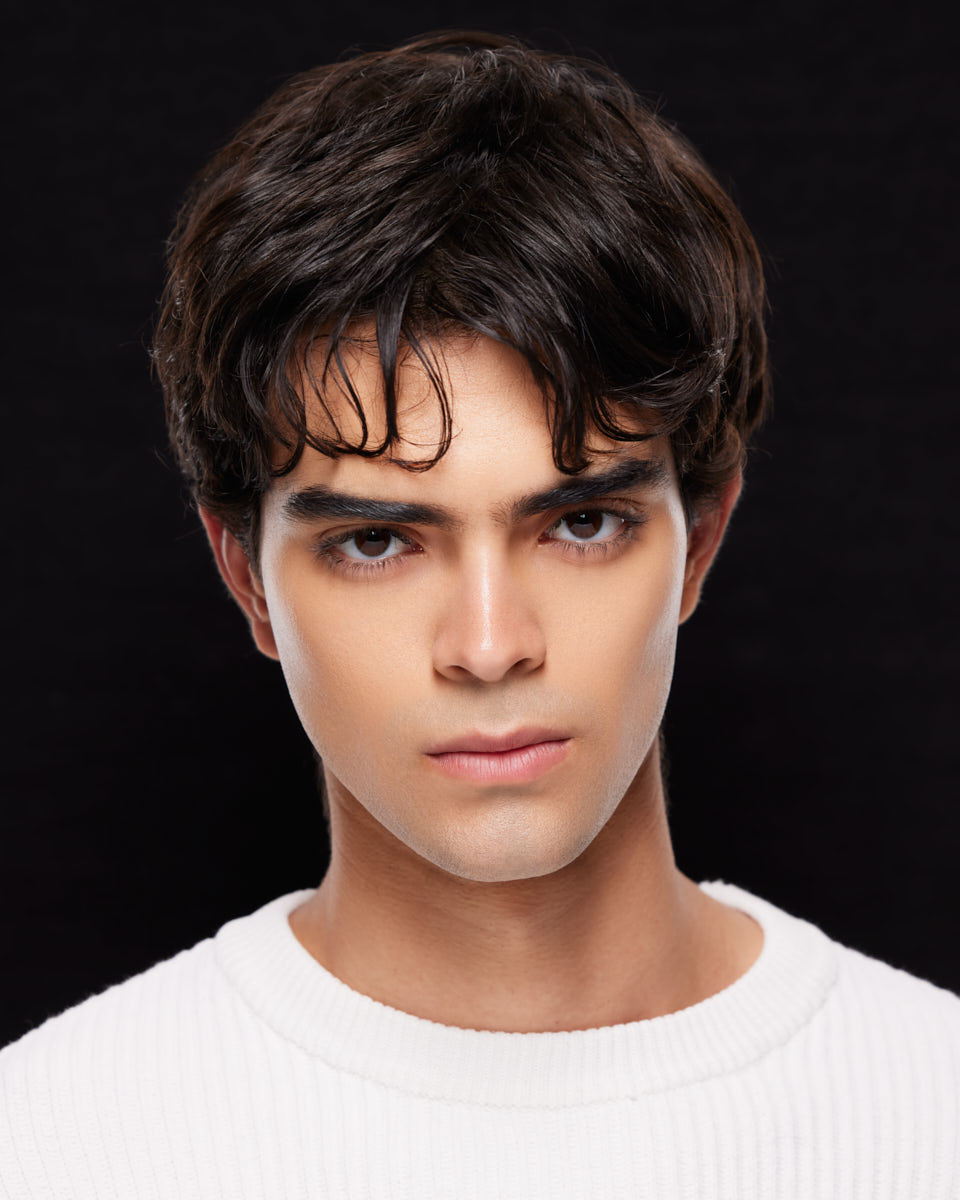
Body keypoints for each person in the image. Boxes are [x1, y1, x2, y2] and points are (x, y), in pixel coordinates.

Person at [1, 29, 957, 1200]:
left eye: (581, 524)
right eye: (376, 541)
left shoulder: (933, 1108)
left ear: (700, 539)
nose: (491, 646)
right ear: (247, 579)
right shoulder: (49, 1143)